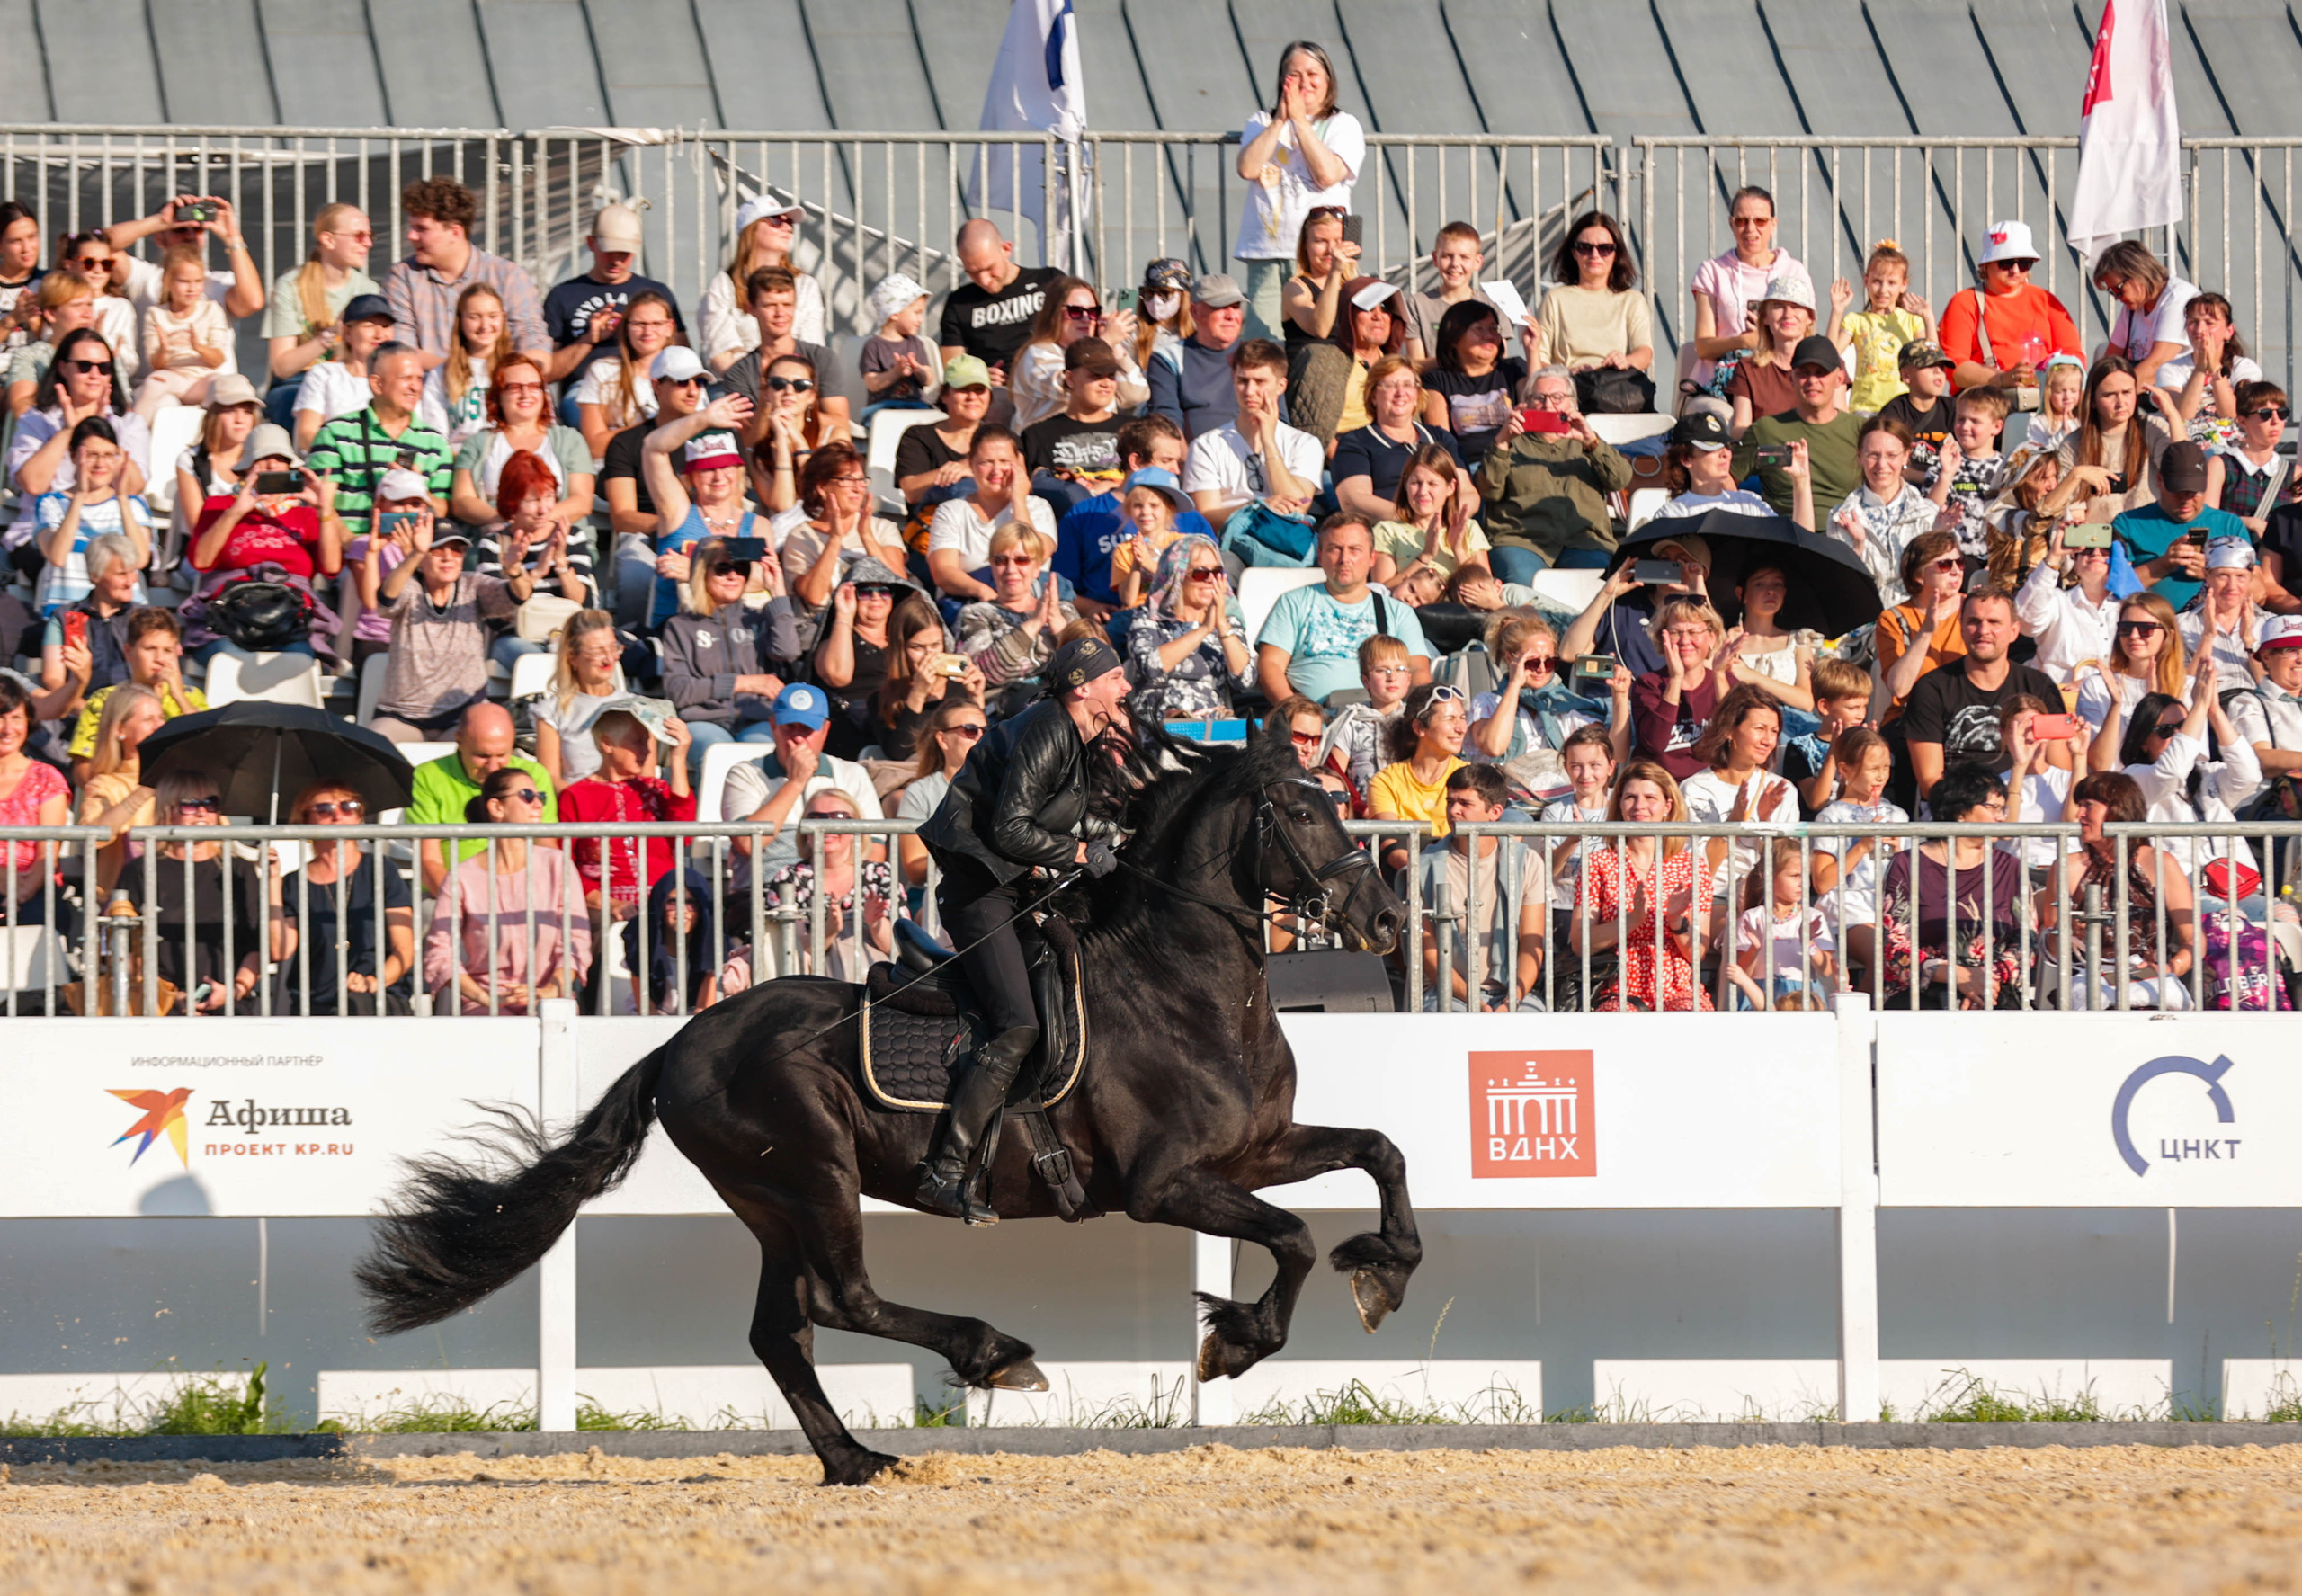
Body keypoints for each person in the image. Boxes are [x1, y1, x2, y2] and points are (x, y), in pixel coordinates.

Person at [914, 634, 1131, 1221]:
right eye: (1116, 678)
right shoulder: (1049, 728)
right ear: (1084, 687)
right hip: (979, 893)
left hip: (1009, 887)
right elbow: (1011, 830)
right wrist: (1082, 852)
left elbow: (1053, 809)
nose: (1126, 687)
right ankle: (946, 1170)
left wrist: (1105, 832)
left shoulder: (1077, 733)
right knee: (1017, 1024)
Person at [367, 486, 539, 744]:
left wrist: (515, 570)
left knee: (483, 744)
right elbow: (386, 600)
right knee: (374, 746)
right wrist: (415, 554)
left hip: (462, 712)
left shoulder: (473, 585)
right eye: (437, 550)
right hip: (403, 713)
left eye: (457, 550)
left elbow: (517, 596)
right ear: (423, 556)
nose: (448, 557)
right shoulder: (410, 585)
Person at [2091, 633, 2263, 878]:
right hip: (2186, 891)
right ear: (2142, 742)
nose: (2180, 735)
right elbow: (2170, 773)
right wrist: (2198, 708)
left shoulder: (2207, 774)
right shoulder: (2133, 779)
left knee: (2287, 917)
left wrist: (2213, 711)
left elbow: (2249, 776)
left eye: (2184, 726)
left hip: (2240, 887)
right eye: (2166, 730)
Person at [424, 766, 590, 1014]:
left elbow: (576, 942)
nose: (538, 804)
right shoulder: (462, 876)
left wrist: (549, 991)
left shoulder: (557, 864)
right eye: (527, 795)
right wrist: (485, 998)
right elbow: (440, 952)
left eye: (541, 796)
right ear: (497, 808)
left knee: (555, 1019)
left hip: (551, 999)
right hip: (483, 1004)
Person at [1233, 41, 1365, 343]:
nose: (1305, 82)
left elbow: (1327, 174)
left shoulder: (1343, 125)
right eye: (1295, 74)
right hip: (1269, 251)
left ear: (1328, 79)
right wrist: (1281, 119)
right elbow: (1248, 168)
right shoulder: (1261, 121)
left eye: (1313, 73)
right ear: (1283, 81)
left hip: (1323, 255)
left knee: (1326, 336)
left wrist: (1301, 123)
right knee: (1263, 343)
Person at [1865, 763, 2025, 1010]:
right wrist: (1956, 976)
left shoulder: (2011, 867)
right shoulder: (1908, 864)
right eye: (1993, 807)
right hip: (1924, 991)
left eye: (2003, 808)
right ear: (1960, 811)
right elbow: (1894, 948)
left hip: (1993, 990)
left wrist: (1984, 980)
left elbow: (2027, 941)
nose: (2002, 817)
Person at [183, 424, 344, 660]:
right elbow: (201, 560)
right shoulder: (220, 505)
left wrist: (324, 510)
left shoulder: (307, 515)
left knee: (297, 660)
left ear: (290, 467)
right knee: (228, 661)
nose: (271, 465)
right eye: (263, 458)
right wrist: (235, 512)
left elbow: (331, 567)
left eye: (280, 459)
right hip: (229, 614)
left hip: (289, 617)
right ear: (246, 467)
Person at [2039, 770, 2196, 1010]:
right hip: (2090, 983)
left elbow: (2193, 938)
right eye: (2079, 805)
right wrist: (2066, 932)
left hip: (2149, 981)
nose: (2079, 814)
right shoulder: (2066, 867)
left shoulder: (2160, 863)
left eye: (2088, 806)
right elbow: (2050, 946)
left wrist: (2171, 968)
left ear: (2117, 809)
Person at [1571, 758, 1718, 1012]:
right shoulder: (1598, 863)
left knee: (1693, 1022)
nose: (1640, 806)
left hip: (1678, 988)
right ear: (1619, 804)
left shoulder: (1692, 866)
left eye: (1650, 798)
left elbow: (1699, 952)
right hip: (1617, 989)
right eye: (1630, 797)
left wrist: (1674, 921)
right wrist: (1632, 920)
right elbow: (1580, 942)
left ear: (1667, 806)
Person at [1902, 586, 2067, 805]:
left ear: (2014, 631)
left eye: (1994, 622)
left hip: (2029, 805)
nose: (1983, 630)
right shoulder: (1931, 688)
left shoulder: (2039, 686)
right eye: (1973, 621)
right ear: (1961, 628)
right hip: (1957, 810)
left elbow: (2061, 767)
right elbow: (1930, 782)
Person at [1255, 513, 1433, 704]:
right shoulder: (1293, 603)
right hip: (1312, 723)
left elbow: (1417, 671)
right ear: (1320, 556)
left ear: (1372, 557)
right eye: (1335, 549)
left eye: (1354, 550)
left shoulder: (1399, 613)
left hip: (1381, 720)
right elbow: (1270, 665)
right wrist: (1294, 712)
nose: (1344, 558)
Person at [6, 328, 152, 559]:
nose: (95, 374)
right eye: (85, 366)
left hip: (113, 531)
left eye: (103, 368)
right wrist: (69, 430)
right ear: (63, 368)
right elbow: (33, 484)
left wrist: (103, 429)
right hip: (46, 531)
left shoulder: (129, 423)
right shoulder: (35, 419)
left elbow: (133, 486)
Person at [272, 780, 414, 1015]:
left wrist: (375, 981)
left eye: (349, 807)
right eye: (325, 810)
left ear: (359, 817)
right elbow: (280, 950)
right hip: (316, 1004)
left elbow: (404, 950)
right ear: (306, 820)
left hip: (378, 1001)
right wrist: (272, 882)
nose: (338, 815)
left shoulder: (380, 869)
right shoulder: (294, 882)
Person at [380, 176, 549, 373]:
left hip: (499, 392)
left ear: (455, 232)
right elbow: (400, 350)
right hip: (427, 396)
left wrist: (511, 376)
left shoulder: (509, 276)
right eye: (412, 227)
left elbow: (532, 339)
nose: (411, 236)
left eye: (422, 229)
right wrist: (463, 376)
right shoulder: (402, 277)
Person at [1476, 366, 1629, 580]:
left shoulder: (1587, 443)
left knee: (1595, 587)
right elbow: (1489, 492)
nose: (1548, 405)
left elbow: (1620, 479)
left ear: (1573, 404)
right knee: (1524, 589)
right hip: (1522, 542)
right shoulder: (1510, 442)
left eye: (1558, 397)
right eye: (1539, 398)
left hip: (1583, 542)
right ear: (1526, 403)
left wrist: (1590, 441)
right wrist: (1502, 442)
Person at [1050, 414, 1210, 620]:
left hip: (1176, 621)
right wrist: (1090, 608)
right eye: (1166, 460)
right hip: (1109, 623)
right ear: (1135, 461)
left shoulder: (1189, 517)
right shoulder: (1083, 515)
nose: (1176, 470)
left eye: (1178, 462)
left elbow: (1212, 580)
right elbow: (1062, 587)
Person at [141, 768, 276, 1012]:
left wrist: (234, 991)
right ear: (166, 810)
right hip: (160, 1006)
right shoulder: (142, 870)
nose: (202, 811)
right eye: (190, 804)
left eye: (210, 803)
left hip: (231, 1004)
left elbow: (256, 945)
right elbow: (130, 948)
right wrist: (172, 996)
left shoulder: (239, 870)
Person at [1416, 763, 1548, 1011]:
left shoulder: (1528, 862)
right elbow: (1428, 951)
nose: (1453, 811)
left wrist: (1512, 1002)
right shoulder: (1425, 865)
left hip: (1514, 993)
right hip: (1447, 994)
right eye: (1450, 801)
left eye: (1465, 804)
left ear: (1495, 811)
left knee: (1534, 1030)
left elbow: (1532, 944)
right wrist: (1473, 1001)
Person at [734, 788, 899, 982]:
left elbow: (897, 947)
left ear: (856, 826)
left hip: (874, 988)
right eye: (815, 817)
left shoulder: (880, 875)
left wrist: (876, 923)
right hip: (813, 990)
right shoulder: (789, 877)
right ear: (805, 830)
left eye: (838, 817)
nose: (825, 825)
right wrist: (827, 933)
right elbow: (786, 950)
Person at [721, 683, 887, 868]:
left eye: (807, 729)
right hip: (764, 890)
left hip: (836, 891)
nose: (798, 737)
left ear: (825, 730)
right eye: (789, 727)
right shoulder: (744, 774)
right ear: (773, 725)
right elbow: (747, 844)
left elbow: (875, 848)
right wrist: (795, 782)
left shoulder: (852, 774)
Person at [561, 706, 697, 929]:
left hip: (663, 901)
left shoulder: (656, 789)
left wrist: (678, 759)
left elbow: (684, 837)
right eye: (638, 742)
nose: (647, 751)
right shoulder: (575, 796)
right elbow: (565, 866)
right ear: (607, 744)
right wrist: (610, 904)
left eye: (648, 743)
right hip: (601, 909)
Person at [638, 393, 763, 629]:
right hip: (677, 636)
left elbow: (762, 577)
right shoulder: (679, 512)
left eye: (726, 466)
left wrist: (696, 570)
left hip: (739, 637)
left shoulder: (756, 525)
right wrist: (703, 418)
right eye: (707, 469)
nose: (718, 477)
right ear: (691, 476)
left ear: (738, 471)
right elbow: (652, 448)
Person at [1182, 339, 1321, 532]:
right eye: (1242, 381)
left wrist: (1268, 441)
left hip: (1285, 544)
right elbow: (1206, 515)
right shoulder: (1206, 445)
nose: (1249, 391)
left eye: (1260, 382)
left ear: (1281, 386)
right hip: (1229, 544)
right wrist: (1258, 507)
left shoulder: (1305, 444)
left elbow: (1297, 508)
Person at [542, 203, 683, 393]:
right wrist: (589, 338)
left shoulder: (657, 293)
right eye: (609, 251)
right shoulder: (563, 295)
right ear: (591, 243)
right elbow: (545, 373)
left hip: (651, 386)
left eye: (624, 253)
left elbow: (681, 359)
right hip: (588, 390)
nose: (616, 260)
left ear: (636, 248)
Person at [1936, 218, 2082, 398]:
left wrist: (2049, 378)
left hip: (2045, 398)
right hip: (1986, 401)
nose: (2015, 270)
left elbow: (2073, 356)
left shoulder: (2046, 300)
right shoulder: (1965, 302)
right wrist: (2001, 379)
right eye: (2006, 263)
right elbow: (1955, 368)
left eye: (2024, 263)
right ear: (1985, 265)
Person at [1681, 684, 1798, 903]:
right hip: (1711, 898)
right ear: (1729, 730)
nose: (1768, 740)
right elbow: (1697, 871)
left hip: (1763, 901)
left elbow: (1786, 866)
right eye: (1759, 728)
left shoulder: (1782, 790)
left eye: (1774, 731)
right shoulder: (1695, 789)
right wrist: (1732, 826)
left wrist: (1765, 823)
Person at [304, 342, 451, 517]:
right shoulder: (334, 434)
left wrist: (418, 488)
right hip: (351, 541)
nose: (416, 387)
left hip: (415, 542)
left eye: (419, 378)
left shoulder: (435, 442)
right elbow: (322, 507)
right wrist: (354, 543)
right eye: (406, 378)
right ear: (377, 384)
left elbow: (443, 510)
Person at [447, 356, 595, 528]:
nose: (526, 394)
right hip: (497, 538)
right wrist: (507, 523)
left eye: (534, 386)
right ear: (498, 395)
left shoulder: (570, 440)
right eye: (514, 388)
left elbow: (581, 501)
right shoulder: (477, 443)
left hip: (558, 538)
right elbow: (462, 501)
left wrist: (535, 523)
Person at [1123, 533, 1254, 725]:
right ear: (1177, 576)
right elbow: (1151, 666)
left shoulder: (1227, 623)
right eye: (1201, 573)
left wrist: (1221, 625)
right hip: (1159, 721)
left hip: (1210, 722)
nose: (1211, 580)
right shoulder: (1150, 617)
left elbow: (1245, 680)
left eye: (1217, 572)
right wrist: (1204, 630)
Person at [1687, 185, 1805, 393]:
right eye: (1742, 221)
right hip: (1720, 384)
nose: (1751, 229)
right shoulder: (1712, 271)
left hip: (1777, 382)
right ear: (1731, 224)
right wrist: (1743, 342)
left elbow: (1805, 335)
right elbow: (1703, 346)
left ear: (1773, 224)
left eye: (1760, 221)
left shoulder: (1793, 271)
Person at [62, 608, 205, 780]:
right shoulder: (104, 700)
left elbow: (206, 751)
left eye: (168, 651)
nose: (160, 658)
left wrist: (179, 696)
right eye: (150, 649)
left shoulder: (191, 697)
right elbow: (82, 771)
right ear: (128, 652)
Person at [31, 417, 150, 617]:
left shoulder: (133, 506)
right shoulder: (50, 503)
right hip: (66, 614)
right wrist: (79, 497)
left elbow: (140, 560)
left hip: (124, 618)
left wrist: (121, 498)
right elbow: (57, 556)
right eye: (92, 455)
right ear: (73, 456)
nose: (100, 463)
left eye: (109, 455)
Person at [1733, 334, 1861, 515]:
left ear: (1840, 379)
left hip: (1845, 533)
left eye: (1821, 373)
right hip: (1785, 535)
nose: (1812, 381)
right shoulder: (1766, 431)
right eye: (1804, 373)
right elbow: (1727, 478)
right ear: (1792, 379)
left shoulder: (1862, 431)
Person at [1560, 531, 1715, 680]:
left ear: (1702, 573)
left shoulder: (1699, 623)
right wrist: (1606, 594)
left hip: (1662, 702)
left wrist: (1699, 594)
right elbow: (1569, 653)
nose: (1669, 568)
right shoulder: (1623, 606)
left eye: (1681, 562)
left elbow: (1710, 668)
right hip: (1608, 700)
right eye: (1664, 560)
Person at [957, 524, 1077, 715]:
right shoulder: (975, 615)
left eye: (1021, 560)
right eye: (1001, 560)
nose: (1010, 569)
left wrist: (1056, 622)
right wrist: (1035, 622)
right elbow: (987, 674)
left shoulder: (1062, 610)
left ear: (1037, 567)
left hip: (1062, 710)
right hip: (1001, 715)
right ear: (992, 565)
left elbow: (1088, 665)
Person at [925, 426, 1053, 604]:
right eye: (986, 462)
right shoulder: (951, 511)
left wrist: (1018, 500)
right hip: (971, 603)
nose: (996, 470)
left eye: (1004, 461)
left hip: (1029, 603)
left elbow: (1038, 553)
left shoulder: (1038, 507)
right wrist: (984, 592)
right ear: (971, 465)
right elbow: (943, 571)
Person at [1817, 415, 1935, 604]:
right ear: (1860, 457)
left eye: (1891, 455)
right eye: (1873, 455)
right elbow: (1843, 585)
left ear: (1906, 456)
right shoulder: (1841, 516)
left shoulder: (1928, 514)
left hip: (1917, 618)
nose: (1881, 465)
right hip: (1864, 620)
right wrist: (1859, 547)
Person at [811, 560, 923, 760]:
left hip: (899, 722)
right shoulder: (836, 638)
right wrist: (845, 614)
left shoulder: (906, 641)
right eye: (865, 592)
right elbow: (837, 676)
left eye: (884, 591)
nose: (875, 597)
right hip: (851, 729)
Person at [2114, 440, 2243, 612]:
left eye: (2194, 492)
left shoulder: (2230, 525)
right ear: (2160, 481)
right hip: (2151, 629)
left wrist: (2211, 574)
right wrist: (2163, 565)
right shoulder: (2128, 524)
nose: (2185, 500)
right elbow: (2113, 589)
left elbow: (2259, 590)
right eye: (2177, 491)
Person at [726, 270, 845, 453]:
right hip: (766, 460)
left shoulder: (823, 358)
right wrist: (771, 402)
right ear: (751, 308)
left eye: (787, 304)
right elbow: (750, 440)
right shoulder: (738, 373)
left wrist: (789, 412)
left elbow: (839, 421)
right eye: (770, 305)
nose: (780, 313)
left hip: (818, 453)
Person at [1332, 356, 1461, 525]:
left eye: (1408, 385)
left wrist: (1446, 519)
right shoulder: (1356, 442)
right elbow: (1354, 501)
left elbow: (1468, 493)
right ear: (1373, 396)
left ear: (1417, 394)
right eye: (1390, 385)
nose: (1401, 393)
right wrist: (1413, 518)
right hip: (1388, 536)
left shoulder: (1440, 438)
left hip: (1446, 528)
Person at [701, 197, 825, 370]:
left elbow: (813, 350)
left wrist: (782, 385)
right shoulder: (724, 284)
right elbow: (720, 355)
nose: (787, 227)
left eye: (789, 221)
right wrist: (756, 387)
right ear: (750, 230)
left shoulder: (806, 285)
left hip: (794, 385)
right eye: (776, 221)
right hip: (738, 389)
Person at [103, 193, 264, 326]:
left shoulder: (219, 282)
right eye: (179, 230)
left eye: (198, 229)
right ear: (160, 239)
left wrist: (233, 238)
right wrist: (160, 221)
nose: (190, 236)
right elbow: (98, 247)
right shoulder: (143, 277)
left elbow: (252, 303)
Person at [1809, 726, 1908, 939]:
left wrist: (1900, 856)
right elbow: (1822, 882)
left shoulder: (1898, 816)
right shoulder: (1831, 817)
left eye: (1886, 767)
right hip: (1847, 910)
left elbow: (1911, 878)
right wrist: (1862, 847)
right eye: (1873, 769)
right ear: (1845, 770)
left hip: (1890, 909)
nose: (1881, 776)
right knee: (1879, 953)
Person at [1009, 278, 1144, 434]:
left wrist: (1115, 346)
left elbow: (1136, 394)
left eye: (1093, 312)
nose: (1086, 319)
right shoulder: (1037, 353)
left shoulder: (1105, 348)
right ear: (1053, 314)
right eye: (1076, 312)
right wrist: (1105, 342)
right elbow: (1069, 385)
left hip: (1099, 447)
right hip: (1050, 449)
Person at [937, 219, 1063, 381]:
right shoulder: (959, 303)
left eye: (989, 268)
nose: (984, 280)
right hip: (995, 394)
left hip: (1052, 380)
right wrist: (978, 377)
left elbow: (1080, 335)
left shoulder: (1049, 281)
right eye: (972, 272)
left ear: (1006, 249)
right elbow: (952, 371)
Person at [869, 589, 982, 766]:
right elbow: (898, 753)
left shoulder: (958, 690)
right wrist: (917, 695)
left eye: (936, 645)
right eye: (918, 647)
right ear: (901, 650)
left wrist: (976, 699)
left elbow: (983, 748)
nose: (930, 655)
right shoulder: (881, 699)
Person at [1290, 275, 1406, 448]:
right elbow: (1311, 430)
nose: (1378, 316)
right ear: (1348, 314)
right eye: (1367, 307)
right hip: (1339, 458)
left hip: (1393, 454)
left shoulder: (1398, 367)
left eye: (1384, 307)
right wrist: (1348, 462)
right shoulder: (1321, 359)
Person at [1019, 336, 1130, 513]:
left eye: (1111, 376)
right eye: (1096, 375)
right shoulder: (1037, 435)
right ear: (1070, 379)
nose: (1106, 383)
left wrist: (1112, 486)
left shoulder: (1133, 430)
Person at [73, 682, 161, 896]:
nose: (159, 725)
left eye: (161, 717)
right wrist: (142, 793)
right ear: (120, 730)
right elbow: (93, 835)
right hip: (124, 902)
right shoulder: (104, 785)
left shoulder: (179, 779)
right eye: (149, 719)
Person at [2060, 355, 2173, 524]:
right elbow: (2074, 511)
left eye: (2127, 392)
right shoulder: (2073, 444)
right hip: (2099, 540)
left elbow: (2181, 470)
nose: (2121, 403)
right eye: (2109, 395)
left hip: (2149, 533)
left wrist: (2172, 414)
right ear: (2092, 401)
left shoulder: (2153, 428)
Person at [1727, 838, 1836, 1010]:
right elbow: (1742, 974)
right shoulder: (1752, 918)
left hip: (1802, 998)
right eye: (1794, 876)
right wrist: (1755, 949)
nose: (1803, 883)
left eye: (1805, 876)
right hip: (1760, 996)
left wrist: (1808, 943)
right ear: (1768, 876)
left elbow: (1827, 970)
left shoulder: (1813, 917)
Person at [1420, 300, 1535, 463]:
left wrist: (1532, 350)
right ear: (1454, 337)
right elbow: (1442, 442)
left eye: (1494, 329)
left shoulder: (1513, 368)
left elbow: (1537, 407)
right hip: (1471, 465)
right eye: (1479, 329)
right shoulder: (1437, 379)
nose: (1489, 336)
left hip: (1516, 461)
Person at [2015, 508, 2122, 681]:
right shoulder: (2058, 602)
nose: (2096, 553)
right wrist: (2055, 555)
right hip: (2059, 698)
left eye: (2105, 550)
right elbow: (2027, 623)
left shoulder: (2131, 607)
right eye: (2087, 550)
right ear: (2076, 563)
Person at [572, 288, 678, 459]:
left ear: (669, 328)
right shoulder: (603, 371)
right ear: (626, 328)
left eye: (657, 324)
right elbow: (595, 446)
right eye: (639, 324)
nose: (648, 332)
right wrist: (658, 426)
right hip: (618, 468)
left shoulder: (686, 373)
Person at [895, 698, 989, 889]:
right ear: (943, 739)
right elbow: (916, 871)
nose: (980, 737)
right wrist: (965, 851)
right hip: (935, 895)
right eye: (970, 730)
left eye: (986, 731)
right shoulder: (919, 792)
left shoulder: (1004, 784)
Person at [1629, 594, 1725, 782]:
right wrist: (1676, 679)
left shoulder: (1725, 682)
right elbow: (1655, 744)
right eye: (1675, 632)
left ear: (1712, 638)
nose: (1684, 640)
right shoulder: (1648, 684)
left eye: (1693, 632)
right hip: (1659, 786)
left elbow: (1738, 739)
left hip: (1711, 787)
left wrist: (1720, 675)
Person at [130, 245, 233, 422]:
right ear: (168, 282)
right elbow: (157, 365)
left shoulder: (212, 309)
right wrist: (163, 350)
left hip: (203, 378)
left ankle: (210, 440)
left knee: (220, 385)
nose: (192, 288)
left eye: (198, 281)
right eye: (184, 281)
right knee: (154, 382)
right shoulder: (156, 314)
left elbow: (218, 359)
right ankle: (132, 433)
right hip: (174, 377)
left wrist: (198, 347)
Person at [38, 532, 141, 706]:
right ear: (95, 576)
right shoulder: (64, 617)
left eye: (133, 572)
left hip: (134, 709)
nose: (130, 581)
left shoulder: (144, 618)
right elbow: (53, 679)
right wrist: (85, 710)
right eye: (122, 574)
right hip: (80, 711)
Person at [744, 349, 851, 513]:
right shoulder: (758, 451)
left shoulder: (835, 438)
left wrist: (798, 441)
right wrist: (781, 442)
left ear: (812, 396)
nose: (789, 391)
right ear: (766, 392)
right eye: (778, 384)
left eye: (801, 386)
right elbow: (783, 507)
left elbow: (821, 500)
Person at [0, 676, 70, 927]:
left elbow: (48, 851)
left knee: (38, 917)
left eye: (16, 718)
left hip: (33, 887)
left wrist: (21, 893)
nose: (8, 729)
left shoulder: (46, 777)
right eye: (1, 717)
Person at [1372, 441, 1488, 591]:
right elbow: (1382, 591)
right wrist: (1424, 557)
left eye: (1432, 484)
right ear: (1406, 483)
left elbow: (1486, 589)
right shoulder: (1387, 531)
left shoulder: (1469, 529)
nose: (1422, 491)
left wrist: (1459, 550)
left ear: (1450, 487)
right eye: (1416, 483)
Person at [1146, 272, 1245, 441]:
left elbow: (1278, 419)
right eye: (1220, 306)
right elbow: (1167, 421)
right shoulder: (1168, 358)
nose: (1230, 316)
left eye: (1236, 306)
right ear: (1195, 311)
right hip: (1192, 459)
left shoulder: (1260, 357)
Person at [290, 292, 396, 450]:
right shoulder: (324, 374)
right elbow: (306, 435)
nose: (380, 335)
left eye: (386, 326)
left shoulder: (401, 379)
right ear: (348, 333)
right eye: (369, 326)